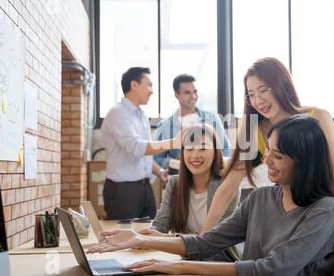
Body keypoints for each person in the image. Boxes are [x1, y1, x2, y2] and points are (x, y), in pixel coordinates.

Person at [87, 115, 334, 276]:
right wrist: (140, 239)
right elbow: (207, 241)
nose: (267, 162)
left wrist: (182, 267)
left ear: (305, 160)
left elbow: (271, 271)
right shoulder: (261, 198)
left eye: (279, 156)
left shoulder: (325, 209)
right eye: (268, 152)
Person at [200, 57, 334, 233]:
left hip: (329, 214)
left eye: (263, 90)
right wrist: (201, 239)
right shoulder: (253, 128)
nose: (258, 101)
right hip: (291, 222)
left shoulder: (318, 117)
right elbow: (228, 188)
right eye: (251, 94)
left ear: (281, 85)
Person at [100, 67, 182, 220]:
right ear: (134, 85)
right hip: (123, 191)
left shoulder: (141, 115)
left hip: (144, 187)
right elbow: (137, 147)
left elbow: (144, 154)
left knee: (148, 234)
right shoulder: (118, 113)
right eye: (149, 85)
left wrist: (159, 171)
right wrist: (174, 142)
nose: (152, 91)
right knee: (123, 239)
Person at [144, 125, 238, 237]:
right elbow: (160, 225)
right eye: (189, 148)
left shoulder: (228, 185)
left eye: (203, 148)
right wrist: (145, 235)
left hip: (220, 253)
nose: (195, 155)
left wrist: (172, 238)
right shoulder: (174, 183)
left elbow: (217, 238)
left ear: (215, 153)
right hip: (184, 253)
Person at [154, 74, 231, 170]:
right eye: (187, 93)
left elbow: (226, 148)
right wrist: (174, 162)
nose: (193, 96)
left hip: (211, 177)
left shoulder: (212, 119)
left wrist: (217, 163)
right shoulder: (165, 125)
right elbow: (157, 157)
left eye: (195, 91)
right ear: (176, 95)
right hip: (180, 177)